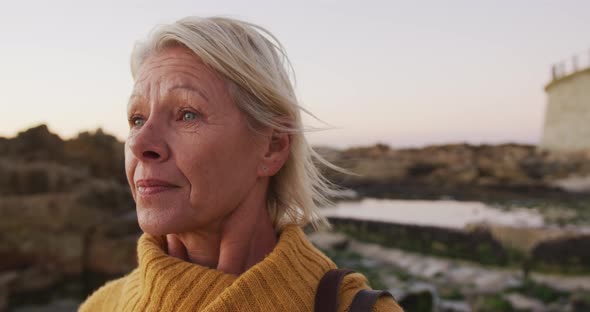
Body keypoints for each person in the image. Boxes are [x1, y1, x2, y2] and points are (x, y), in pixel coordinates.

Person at [79, 16, 403, 312]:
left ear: (272, 148)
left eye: (187, 114)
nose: (138, 143)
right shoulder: (100, 306)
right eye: (137, 119)